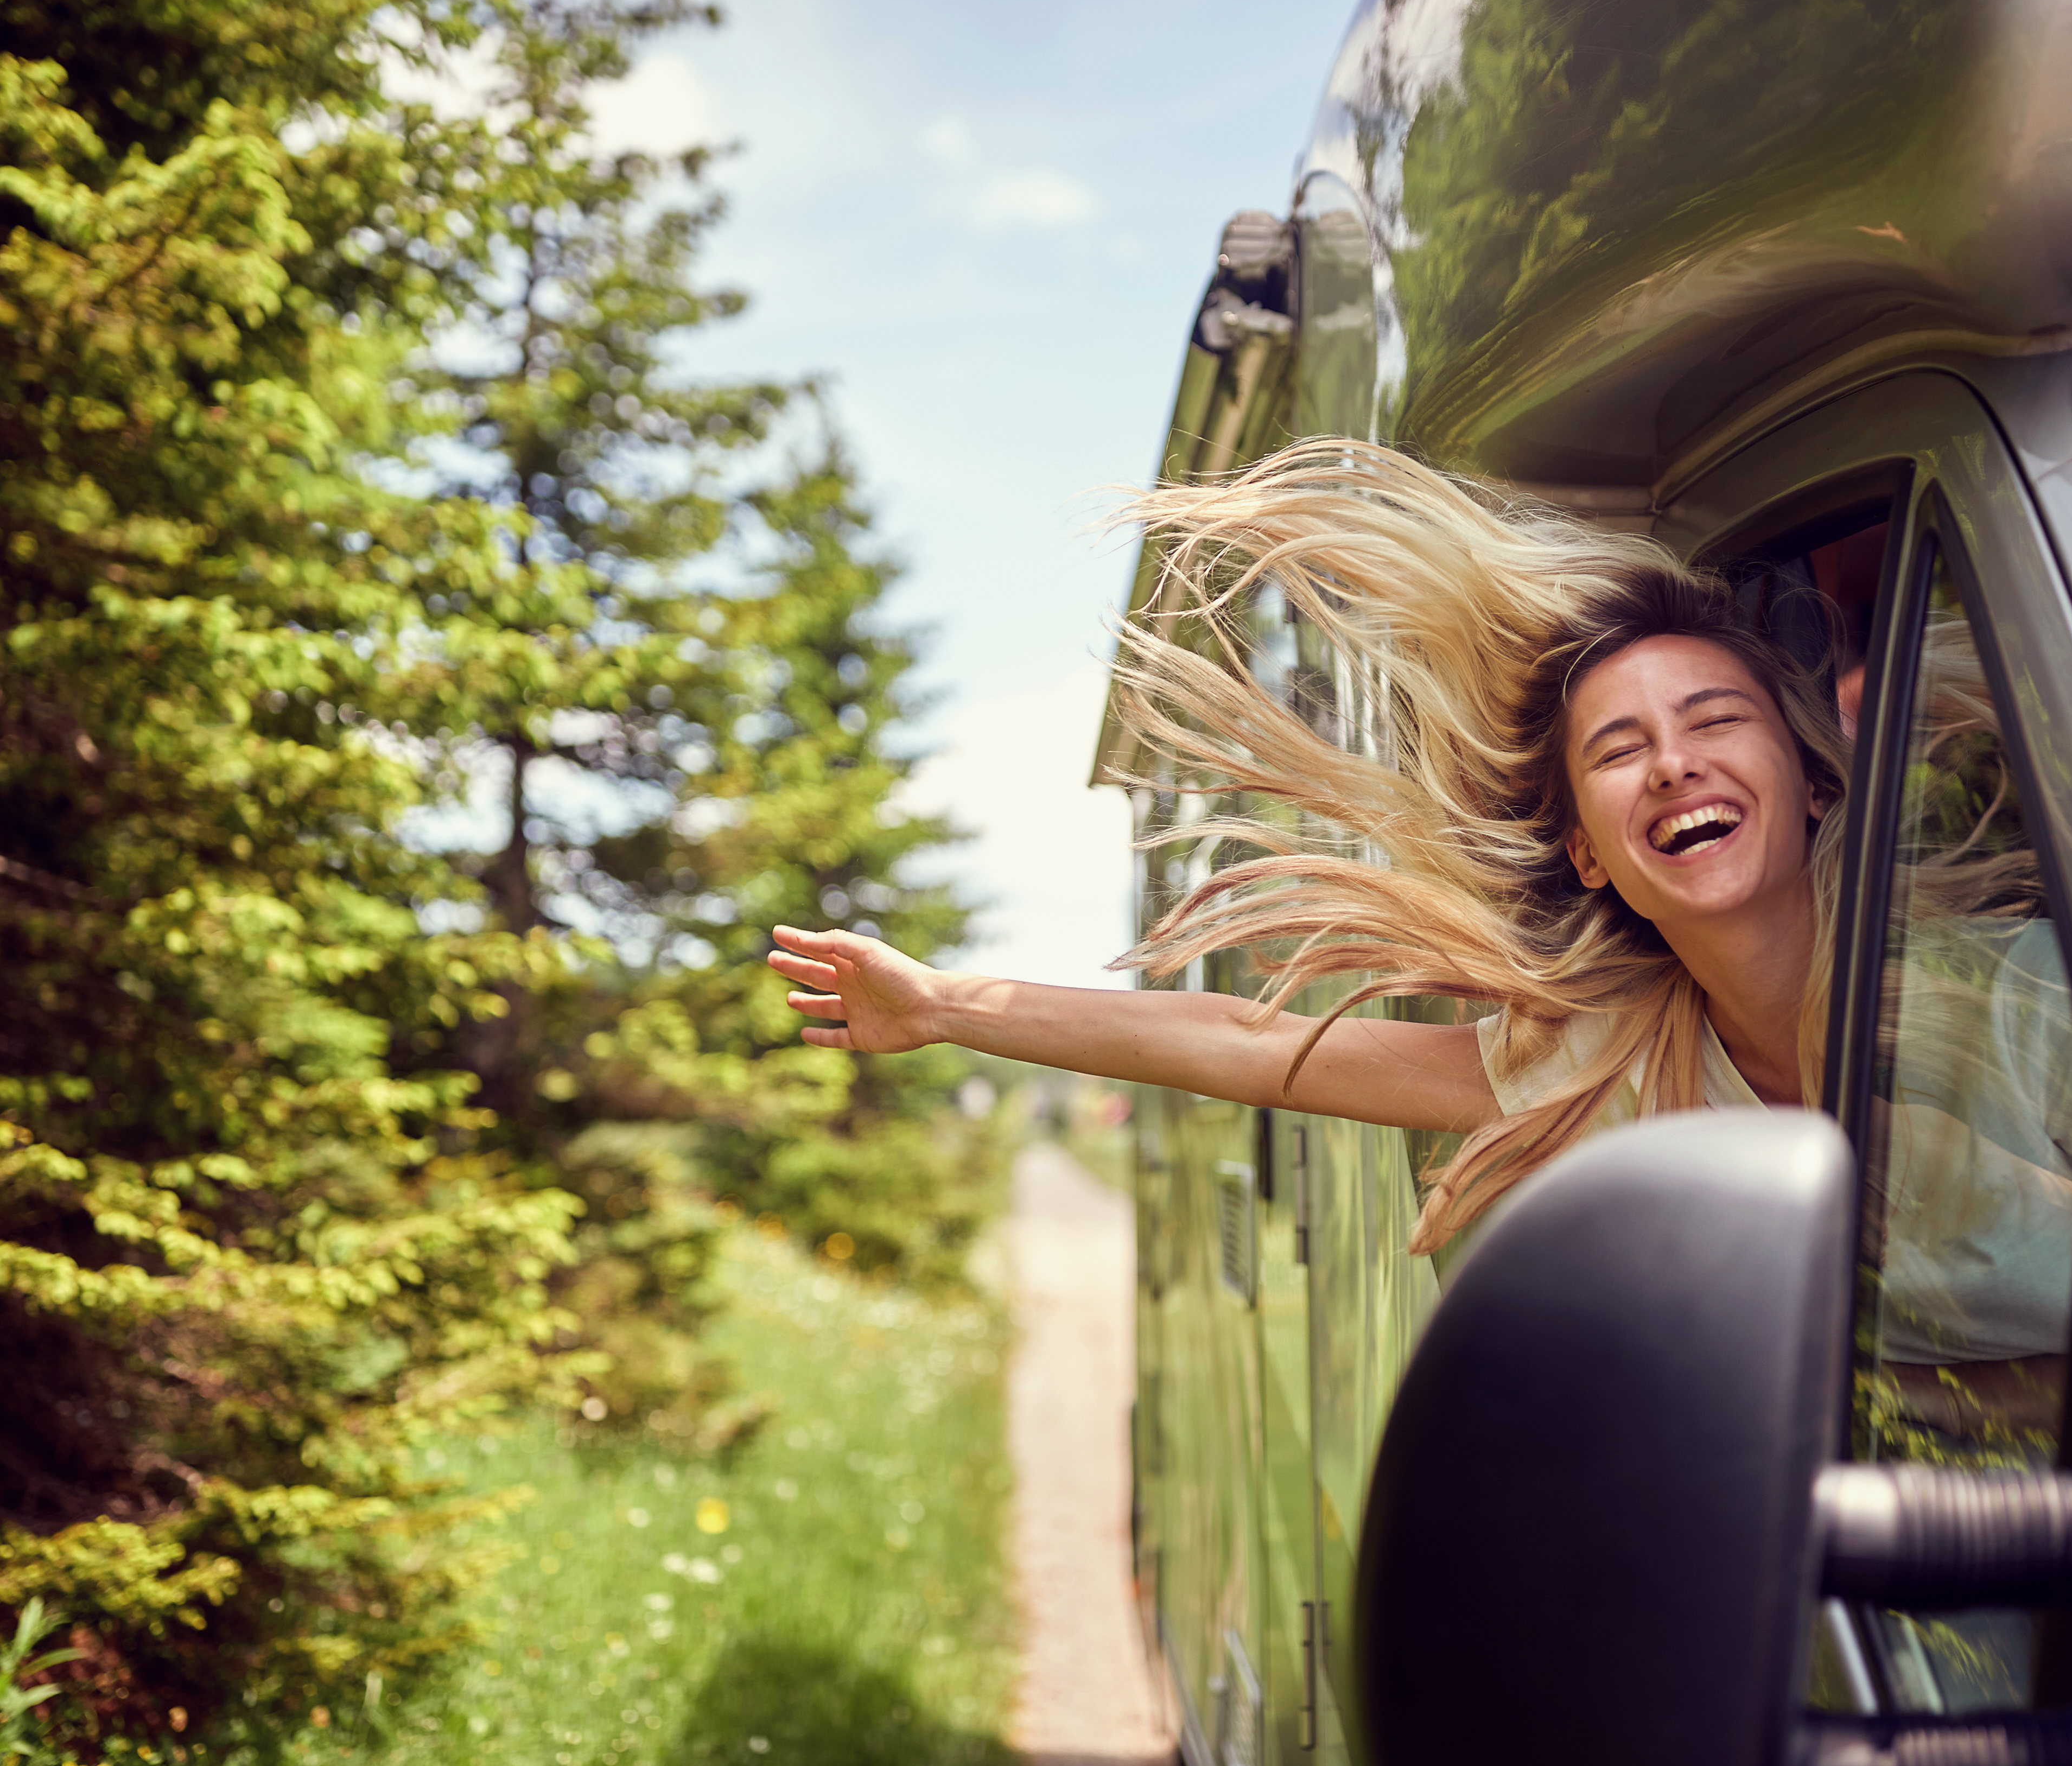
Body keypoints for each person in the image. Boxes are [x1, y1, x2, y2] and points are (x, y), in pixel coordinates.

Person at [766, 439, 1846, 1257]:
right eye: (1621, 748)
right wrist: (946, 1006)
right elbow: (1242, 1041)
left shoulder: (2005, 1005)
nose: (1671, 765)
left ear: (1807, 780)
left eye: (1714, 722)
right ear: (1590, 855)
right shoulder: (1608, 1062)